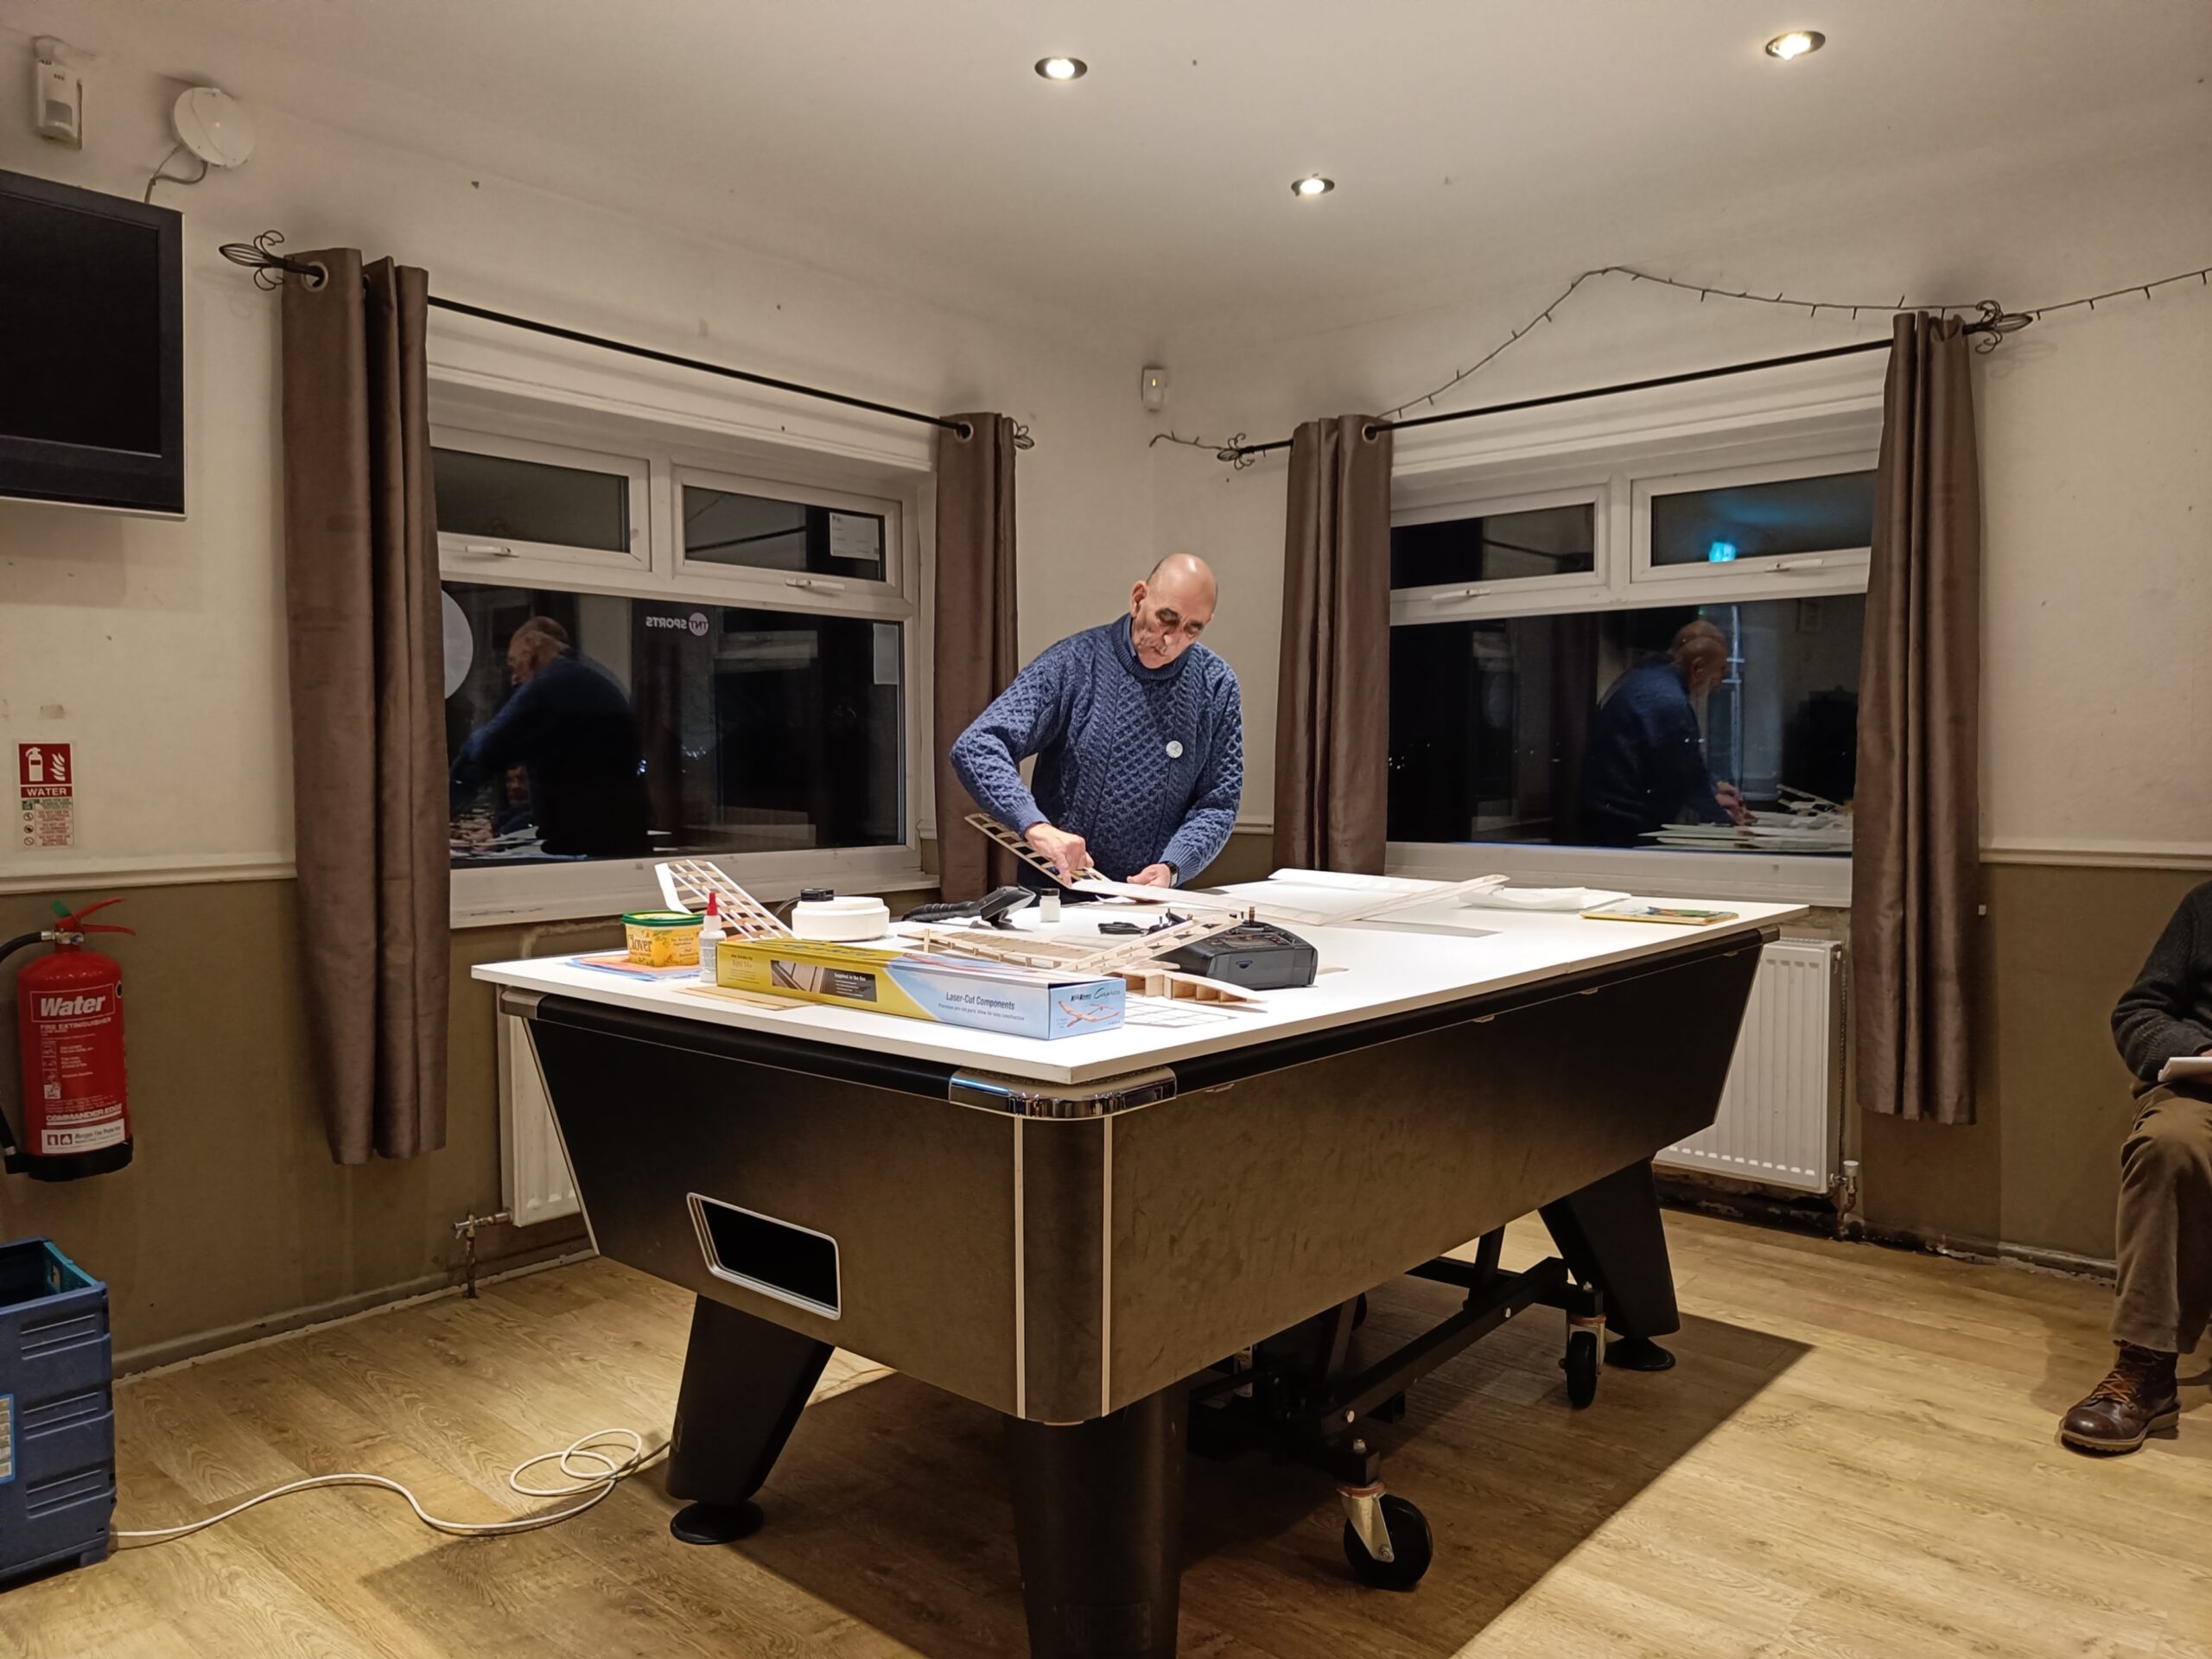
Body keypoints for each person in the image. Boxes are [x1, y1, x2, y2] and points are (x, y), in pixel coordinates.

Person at [950, 554, 1242, 887]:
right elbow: (978, 745)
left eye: (1192, 629)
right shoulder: (1074, 663)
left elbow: (1218, 804)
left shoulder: (1216, 685)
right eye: (1166, 619)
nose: (1172, 641)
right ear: (1138, 599)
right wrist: (1035, 826)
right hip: (1058, 896)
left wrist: (1173, 868)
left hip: (1152, 900)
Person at [2059, 880, 2212, 1452]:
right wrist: (2201, 1054)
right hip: (2206, 1094)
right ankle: (2146, 1367)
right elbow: (2139, 1012)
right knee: (2169, 1144)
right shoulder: (2206, 906)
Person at [449, 616, 651, 858]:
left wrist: (438, 810)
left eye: (514, 664)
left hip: (586, 849)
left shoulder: (550, 686)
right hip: (622, 840)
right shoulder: (596, 677)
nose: (513, 679)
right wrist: (498, 825)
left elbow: (482, 750)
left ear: (531, 649)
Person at [1579, 620, 1753, 847]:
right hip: (1624, 822)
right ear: (1698, 667)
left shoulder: (1646, 675)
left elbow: (1676, 760)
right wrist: (1730, 825)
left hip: (1603, 812)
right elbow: (1684, 774)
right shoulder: (1668, 701)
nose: (1717, 684)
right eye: (1718, 672)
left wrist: (1714, 787)